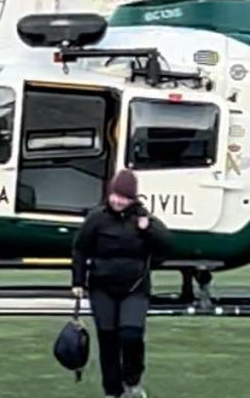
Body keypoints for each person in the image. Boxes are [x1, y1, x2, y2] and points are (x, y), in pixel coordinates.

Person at [71, 169, 171, 398]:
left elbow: (166, 245)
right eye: (115, 195)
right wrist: (77, 280)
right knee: (108, 340)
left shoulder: (143, 218)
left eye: (124, 197)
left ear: (133, 199)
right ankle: (112, 390)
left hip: (134, 288)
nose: (118, 201)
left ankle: (132, 381)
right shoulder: (96, 218)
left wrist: (149, 230)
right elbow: (80, 248)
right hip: (101, 287)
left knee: (131, 335)